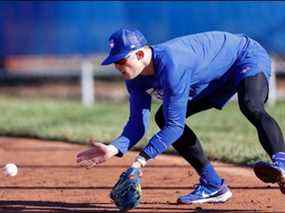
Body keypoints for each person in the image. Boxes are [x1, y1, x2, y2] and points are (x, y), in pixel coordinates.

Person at [76, 28, 285, 204]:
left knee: (250, 105)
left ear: (140, 55)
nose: (118, 67)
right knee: (163, 118)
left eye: (121, 60)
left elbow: (175, 126)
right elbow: (137, 124)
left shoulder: (172, 63)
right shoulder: (135, 79)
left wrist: (139, 163)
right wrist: (114, 148)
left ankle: (282, 164)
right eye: (114, 62)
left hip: (244, 56)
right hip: (211, 77)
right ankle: (213, 185)